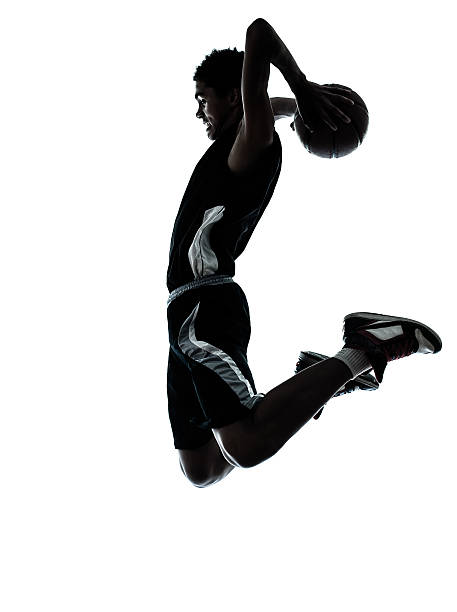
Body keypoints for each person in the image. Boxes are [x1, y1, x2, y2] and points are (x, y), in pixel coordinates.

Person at [166, 18, 441, 488]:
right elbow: (268, 106)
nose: (198, 111)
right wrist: (297, 107)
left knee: (246, 445)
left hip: (204, 306)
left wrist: (303, 88)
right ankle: (318, 384)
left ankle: (362, 349)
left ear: (234, 96)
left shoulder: (250, 143)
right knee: (203, 467)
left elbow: (258, 32)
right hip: (184, 316)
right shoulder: (251, 134)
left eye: (203, 98)